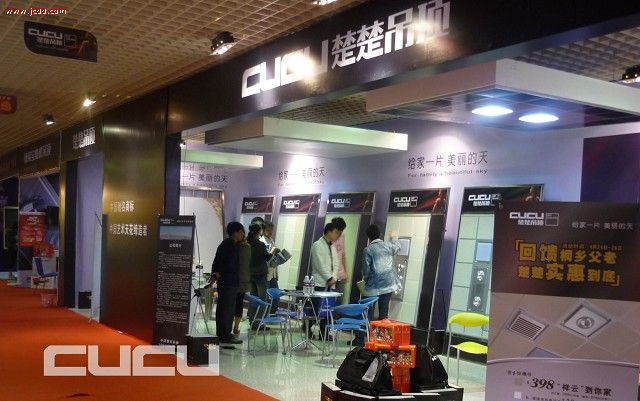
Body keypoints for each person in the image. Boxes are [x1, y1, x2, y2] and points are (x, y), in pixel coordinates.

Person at [353, 225, 401, 346]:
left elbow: (366, 270)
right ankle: (380, 341)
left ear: (368, 237)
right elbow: (398, 247)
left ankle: (360, 340)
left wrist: (365, 280)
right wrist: (394, 237)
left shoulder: (368, 250)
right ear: (380, 234)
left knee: (366, 311)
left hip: (373, 286)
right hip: (389, 284)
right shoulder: (388, 246)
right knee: (383, 314)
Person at [211, 222, 245, 345]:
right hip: (228, 282)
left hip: (230, 281)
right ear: (235, 233)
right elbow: (222, 262)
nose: (243, 234)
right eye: (241, 232)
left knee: (227, 308)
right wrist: (216, 274)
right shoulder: (228, 244)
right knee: (226, 309)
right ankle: (224, 335)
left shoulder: (231, 244)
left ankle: (225, 333)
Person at [308, 222, 341, 338]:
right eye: (336, 232)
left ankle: (325, 332)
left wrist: (334, 278)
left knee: (328, 309)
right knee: (316, 308)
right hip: (319, 282)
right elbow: (319, 264)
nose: (337, 235)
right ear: (329, 232)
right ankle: (307, 327)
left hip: (331, 283)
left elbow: (336, 264)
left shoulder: (333, 247)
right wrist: (329, 277)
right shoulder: (317, 245)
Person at [247, 223, 271, 329]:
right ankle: (259, 324)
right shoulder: (260, 245)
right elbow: (266, 257)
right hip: (261, 275)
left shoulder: (247, 243)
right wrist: (273, 252)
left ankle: (252, 322)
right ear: (259, 232)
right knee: (262, 300)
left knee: (253, 299)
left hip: (250, 274)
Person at [233, 236, 251, 338]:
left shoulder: (229, 245)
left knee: (231, 304)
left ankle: (230, 327)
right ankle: (236, 327)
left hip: (231, 280)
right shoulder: (246, 247)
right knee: (239, 303)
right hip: (242, 280)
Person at [331, 217, 348, 303]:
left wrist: (345, 272)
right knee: (330, 299)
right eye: (339, 231)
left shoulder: (342, 236)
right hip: (330, 275)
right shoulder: (328, 238)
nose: (340, 233)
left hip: (341, 274)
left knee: (340, 299)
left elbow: (343, 254)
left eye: (342, 231)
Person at [261, 222, 280, 288]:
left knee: (276, 293)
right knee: (267, 293)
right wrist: (273, 250)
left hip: (273, 272)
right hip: (266, 273)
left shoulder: (271, 240)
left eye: (272, 230)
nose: (271, 232)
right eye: (268, 230)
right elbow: (265, 257)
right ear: (263, 230)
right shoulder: (262, 241)